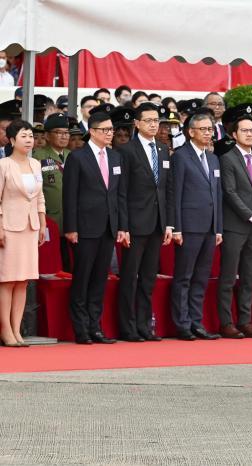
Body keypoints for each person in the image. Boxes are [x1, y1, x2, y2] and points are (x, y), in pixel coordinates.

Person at [63, 112, 121, 344]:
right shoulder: (78, 157)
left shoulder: (116, 157)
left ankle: (95, 327)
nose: (110, 134)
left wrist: (121, 226)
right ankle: (81, 329)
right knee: (82, 278)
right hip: (84, 227)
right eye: (105, 130)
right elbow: (70, 195)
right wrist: (71, 227)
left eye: (111, 130)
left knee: (100, 279)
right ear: (93, 131)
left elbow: (119, 195)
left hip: (108, 227)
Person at [116, 102, 171, 342]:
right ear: (137, 123)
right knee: (130, 277)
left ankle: (145, 325)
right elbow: (122, 192)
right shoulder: (126, 150)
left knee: (148, 278)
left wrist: (169, 224)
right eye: (147, 120)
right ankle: (128, 327)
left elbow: (166, 189)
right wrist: (123, 226)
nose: (153, 124)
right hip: (135, 224)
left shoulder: (162, 149)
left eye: (156, 120)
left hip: (158, 223)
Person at [217, 113, 252, 339]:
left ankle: (245, 320)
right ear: (234, 134)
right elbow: (229, 193)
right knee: (229, 277)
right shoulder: (228, 159)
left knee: (249, 276)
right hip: (235, 225)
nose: (250, 134)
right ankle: (226, 322)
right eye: (245, 130)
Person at [169, 112, 223, 340]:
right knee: (184, 276)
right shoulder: (181, 156)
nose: (208, 133)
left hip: (210, 227)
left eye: (210, 129)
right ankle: (182, 323)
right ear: (191, 132)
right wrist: (177, 227)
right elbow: (175, 193)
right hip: (188, 226)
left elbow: (217, 194)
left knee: (201, 277)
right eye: (203, 129)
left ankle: (196, 321)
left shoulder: (213, 158)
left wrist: (218, 227)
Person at [0, 120, 45, 346]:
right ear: (12, 140)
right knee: (7, 280)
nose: (29, 140)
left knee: (23, 281)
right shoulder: (4, 165)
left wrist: (42, 222)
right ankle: (6, 330)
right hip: (9, 227)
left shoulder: (36, 164)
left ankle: (17, 330)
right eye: (24, 136)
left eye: (30, 136)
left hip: (30, 227)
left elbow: (39, 196)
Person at [33, 113, 72, 271]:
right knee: (49, 265)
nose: (64, 136)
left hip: (71, 221)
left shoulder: (73, 156)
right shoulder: (38, 157)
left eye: (66, 132)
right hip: (49, 219)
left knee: (69, 263)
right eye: (58, 132)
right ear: (48, 136)